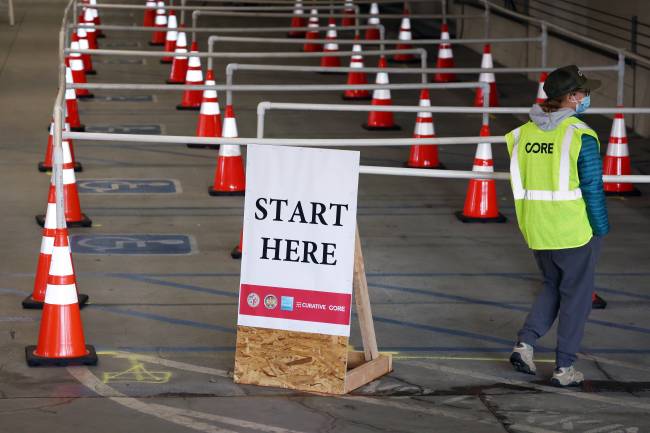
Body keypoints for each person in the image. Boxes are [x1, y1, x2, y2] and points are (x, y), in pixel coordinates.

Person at [504, 65, 609, 387]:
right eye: (585, 92)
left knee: (552, 285)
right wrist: (600, 227)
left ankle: (526, 343)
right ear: (573, 97)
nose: (587, 97)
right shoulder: (580, 135)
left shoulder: (522, 134)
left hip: (536, 227)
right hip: (572, 229)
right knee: (576, 297)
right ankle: (565, 368)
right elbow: (592, 187)